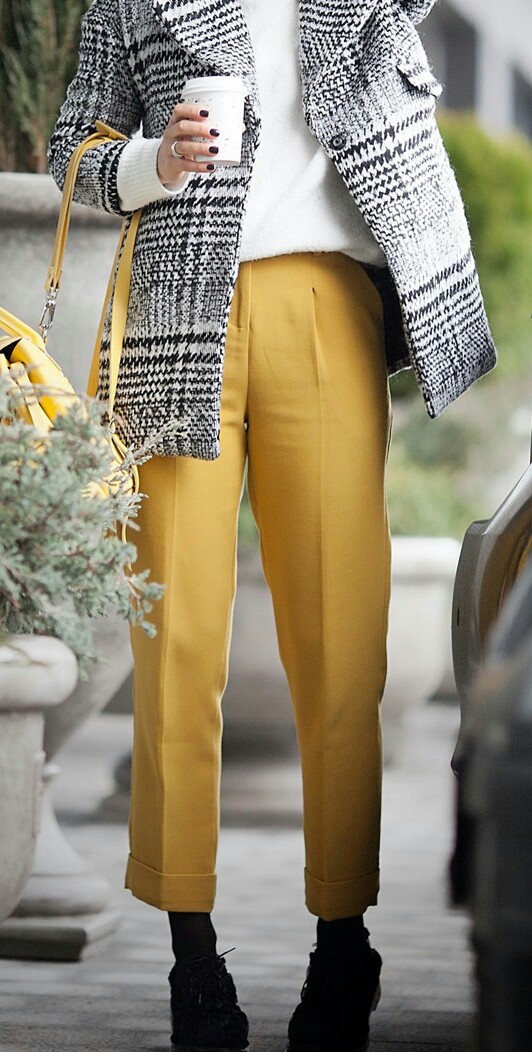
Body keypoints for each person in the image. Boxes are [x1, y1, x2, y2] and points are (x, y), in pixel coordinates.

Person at [49, 1, 496, 1049]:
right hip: (175, 310)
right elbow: (73, 151)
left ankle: (343, 943)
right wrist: (153, 161)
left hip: (326, 305)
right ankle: (192, 957)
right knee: (176, 637)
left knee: (341, 643)